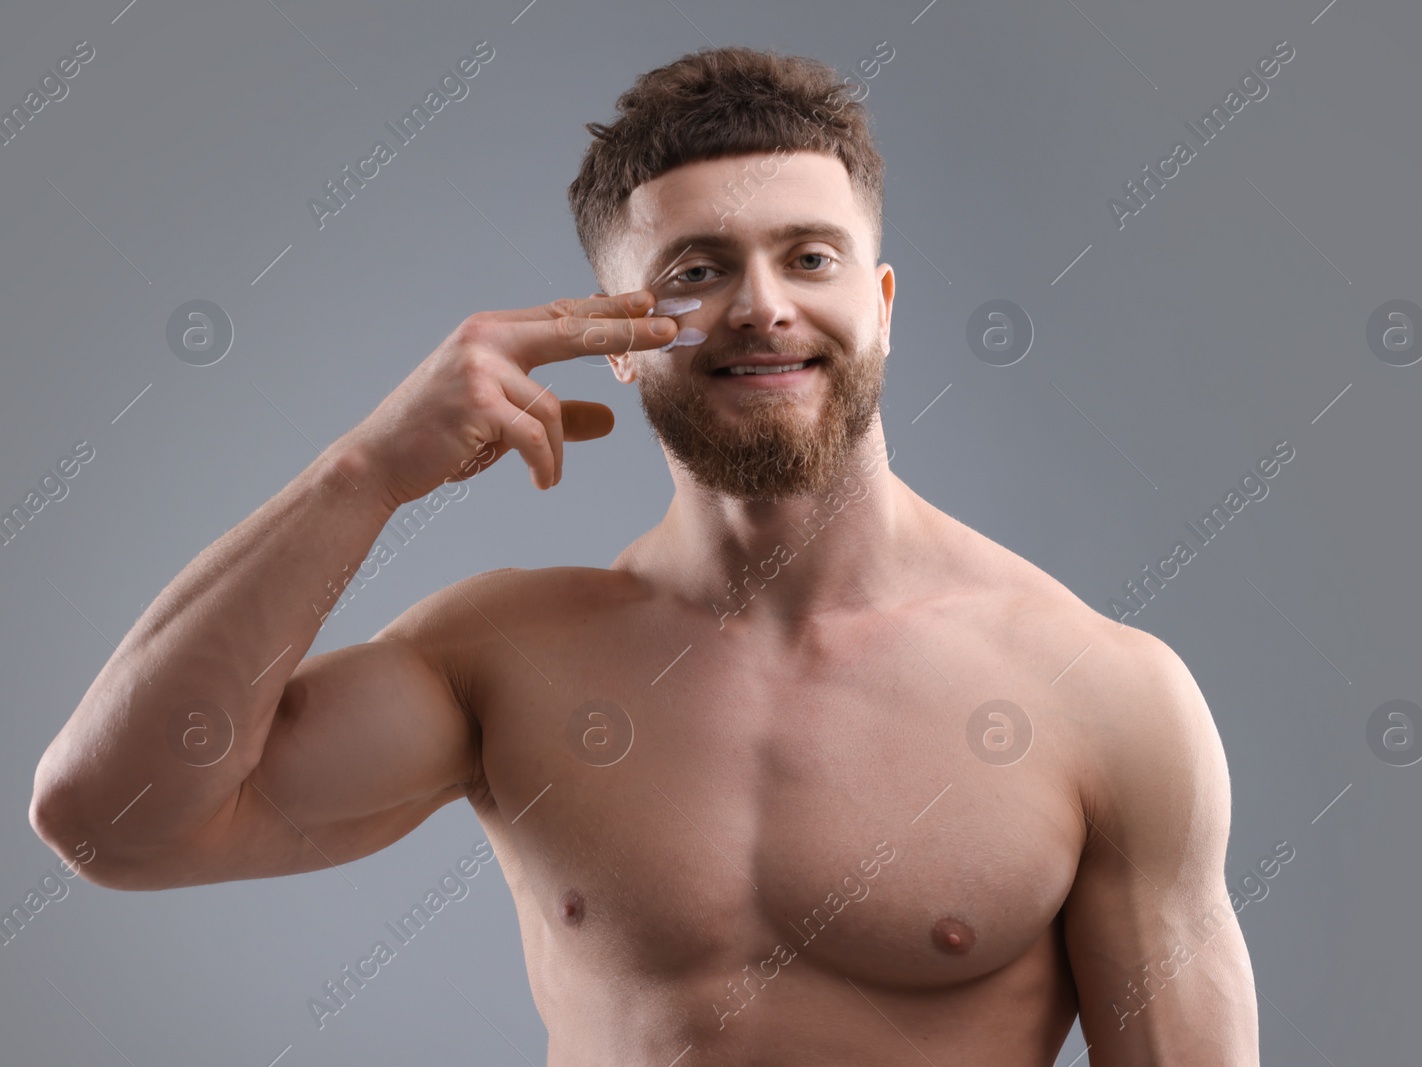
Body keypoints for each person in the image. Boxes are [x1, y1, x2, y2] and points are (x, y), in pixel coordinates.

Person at [31, 45, 1259, 1065]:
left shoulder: (1101, 695)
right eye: (696, 270)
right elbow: (111, 821)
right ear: (616, 339)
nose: (762, 304)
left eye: (810, 256)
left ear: (881, 301)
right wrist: (364, 475)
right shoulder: (505, 659)